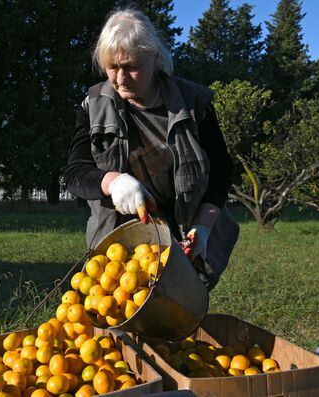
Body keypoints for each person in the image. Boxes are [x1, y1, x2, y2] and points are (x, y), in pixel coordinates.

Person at [64, 7, 239, 290]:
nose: (121, 79)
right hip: (119, 245)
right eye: (112, 67)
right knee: (117, 318)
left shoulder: (195, 104)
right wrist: (113, 181)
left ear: (155, 58)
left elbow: (221, 171)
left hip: (183, 240)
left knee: (177, 318)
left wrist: (203, 228)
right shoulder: (93, 106)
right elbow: (75, 174)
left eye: (131, 66)